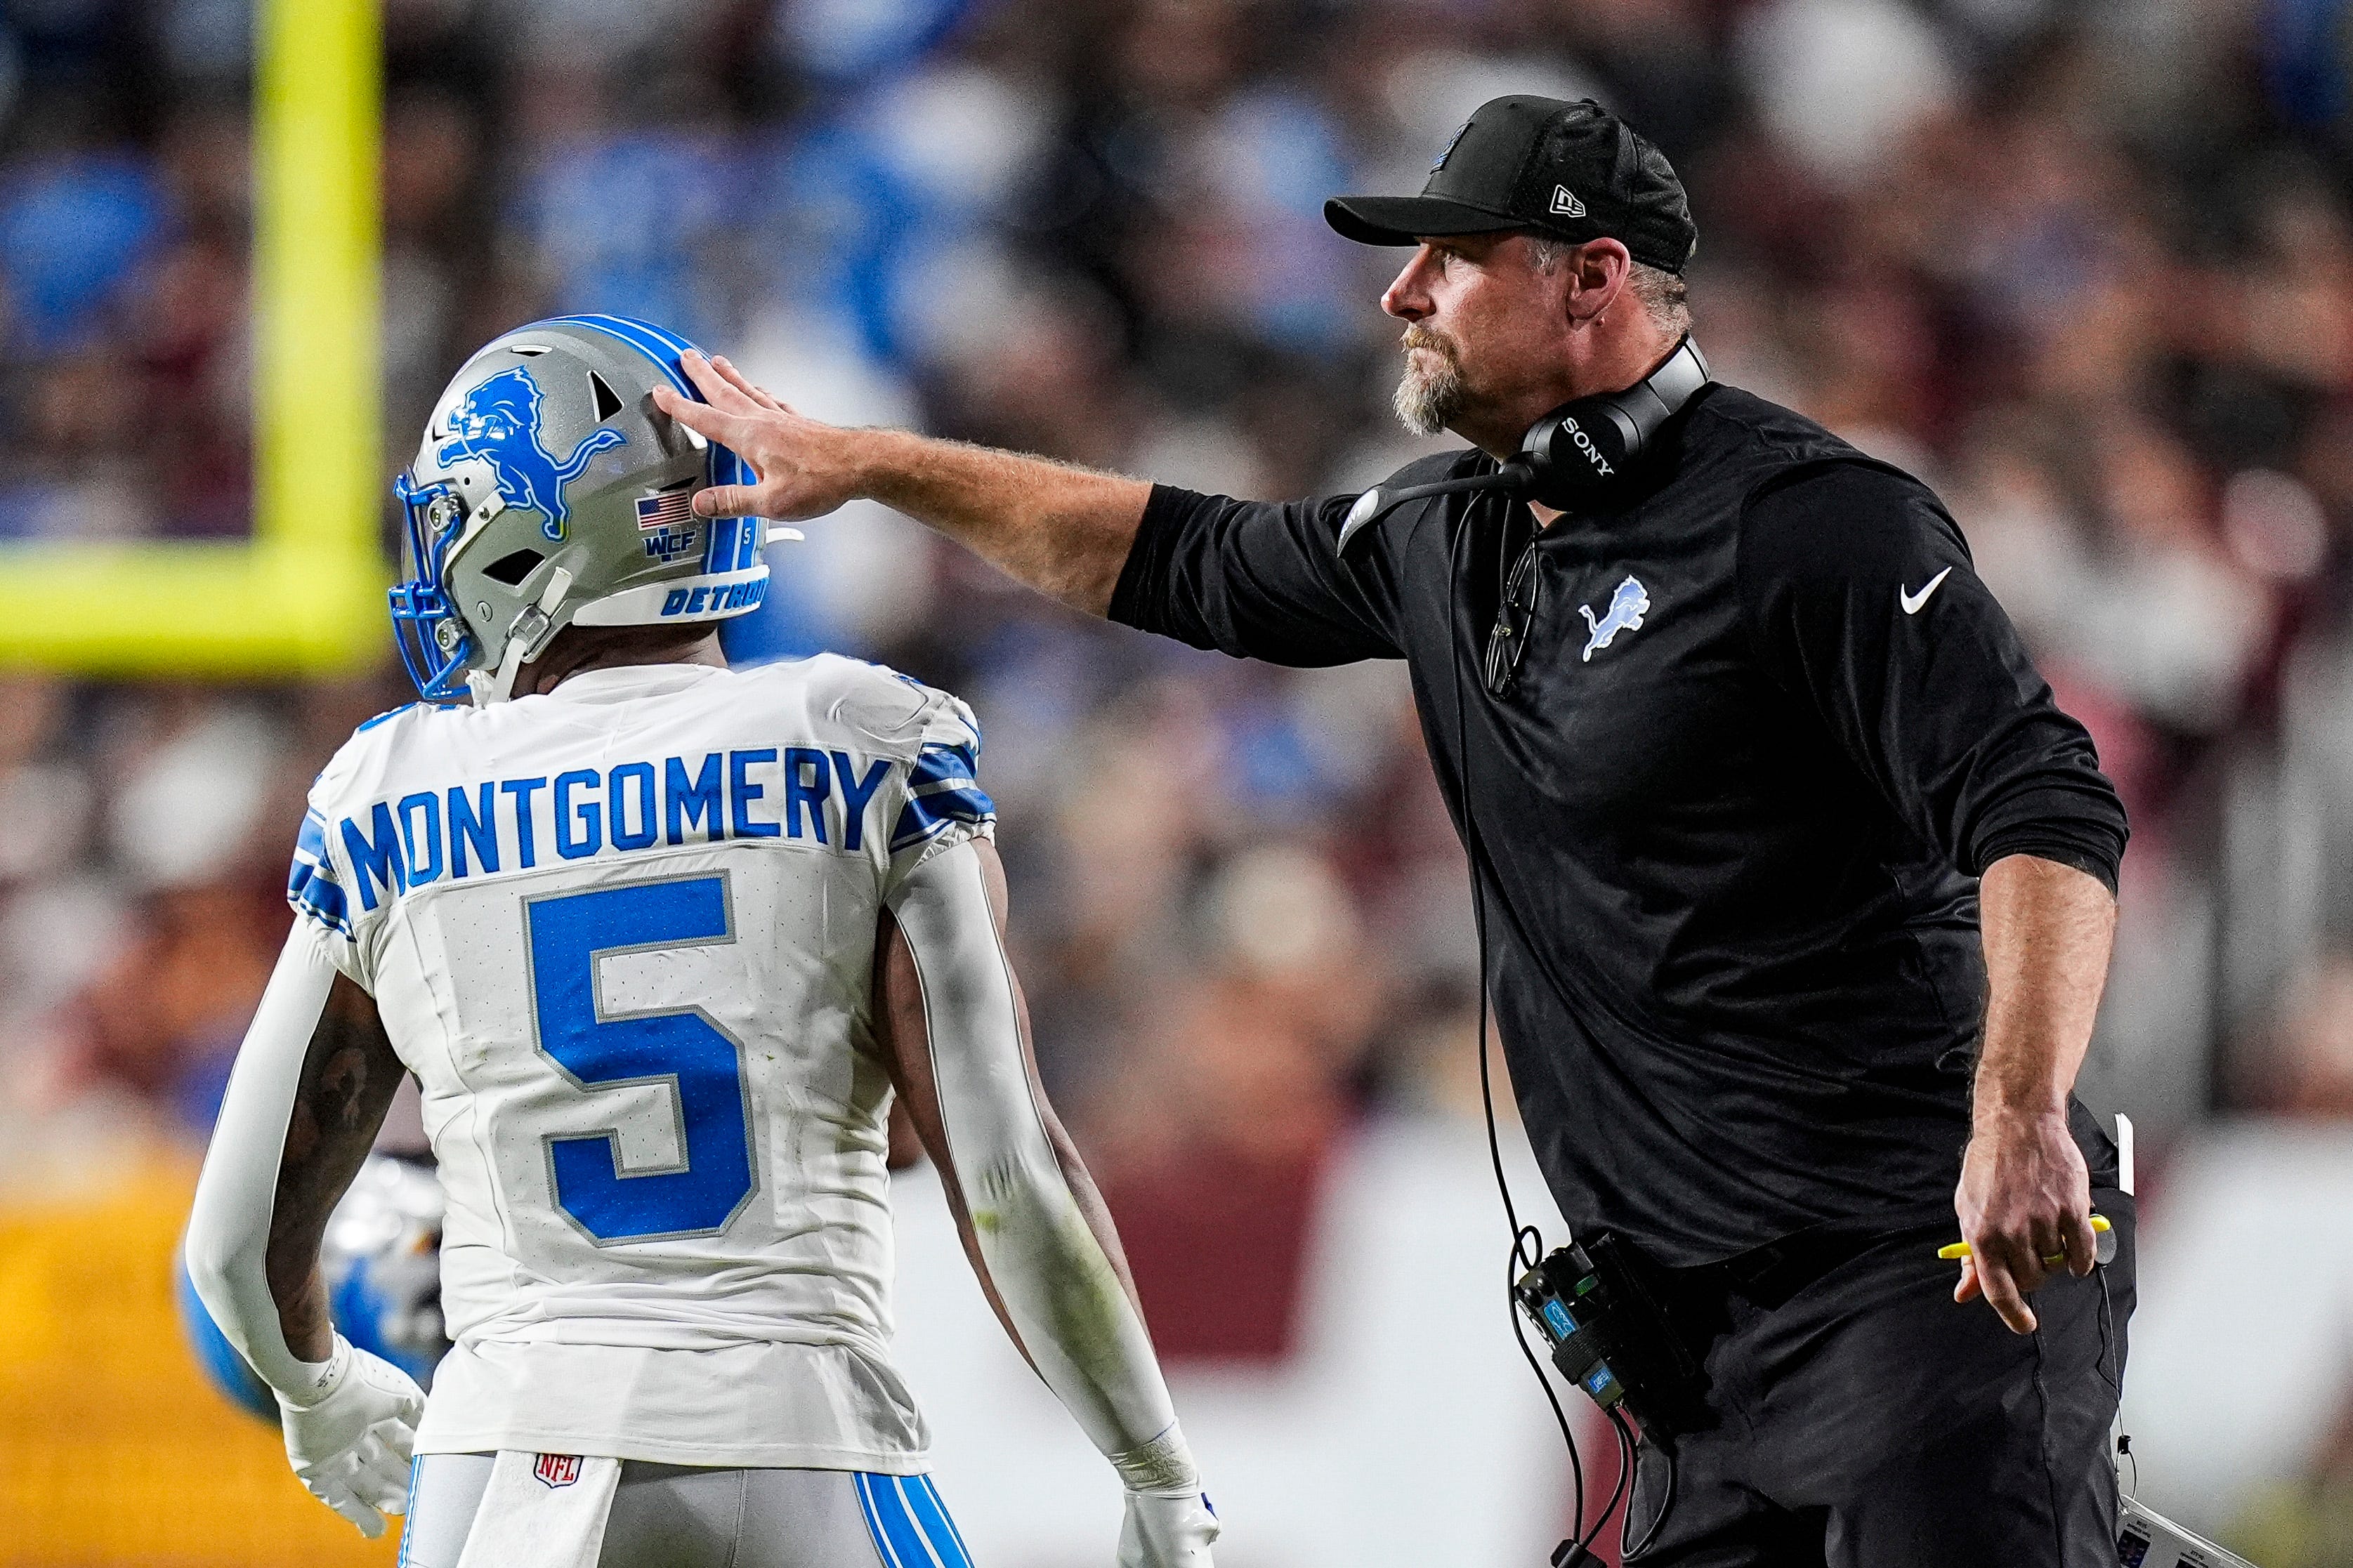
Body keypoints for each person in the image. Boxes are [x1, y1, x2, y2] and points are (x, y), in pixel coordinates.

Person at [652, 98, 2137, 1567]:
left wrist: (2016, 1118)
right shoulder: (1448, 536)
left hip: (1920, 1281)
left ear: (1591, 278)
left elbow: (2042, 803)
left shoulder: (1817, 524)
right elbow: (1170, 554)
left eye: (1450, 260)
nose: (1398, 294)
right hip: (1692, 1358)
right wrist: (872, 467)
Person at [183, 316, 1220, 1568]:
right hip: (793, 1435)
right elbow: (1006, 1176)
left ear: (527, 533)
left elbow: (233, 1240)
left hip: (503, 1461)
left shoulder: (388, 789)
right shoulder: (854, 737)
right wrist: (1152, 1470)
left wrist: (316, 1392)